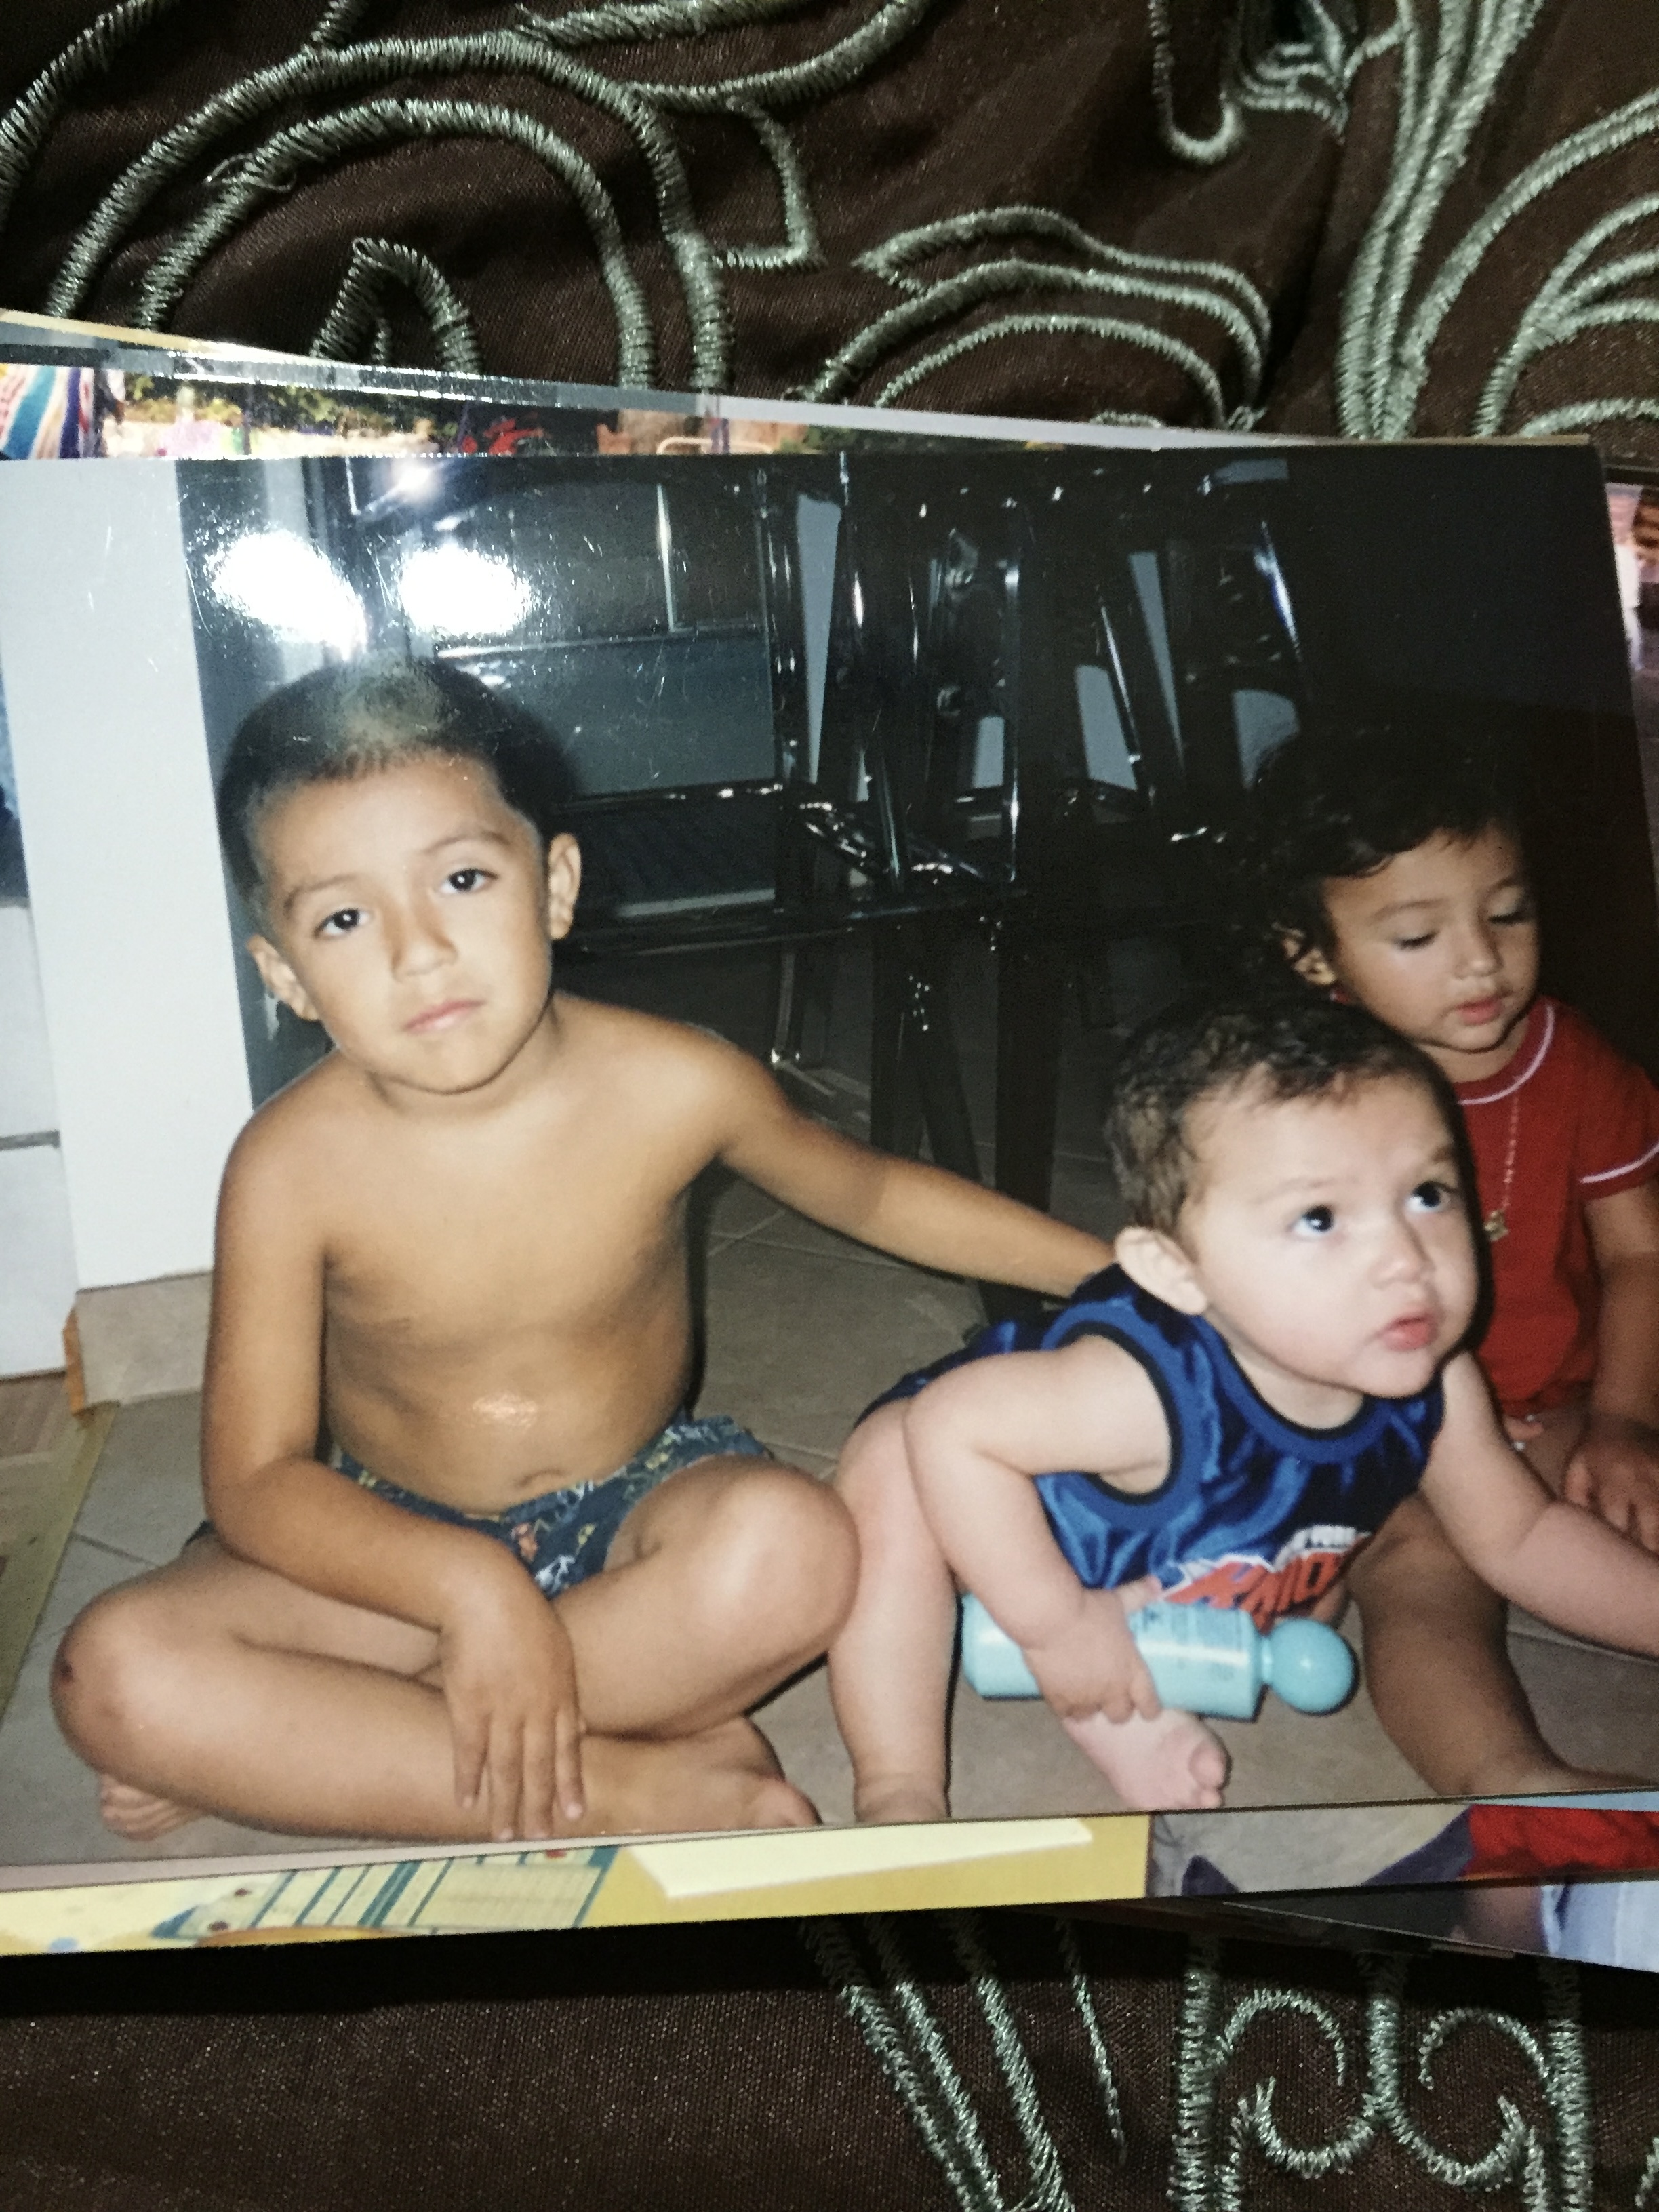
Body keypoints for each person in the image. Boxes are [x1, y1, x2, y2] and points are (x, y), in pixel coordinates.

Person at [51, 658, 1112, 1848]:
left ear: (553, 884)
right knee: (115, 1675)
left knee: (799, 1550)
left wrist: (1106, 1267)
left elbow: (867, 1188)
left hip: (636, 1503)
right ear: (286, 975)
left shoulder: (675, 1081)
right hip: (394, 1548)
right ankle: (645, 1777)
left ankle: (328, 1743)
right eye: (344, 917)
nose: (419, 950)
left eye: (460, 878)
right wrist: (468, 1588)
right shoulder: (288, 1167)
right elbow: (252, 1482)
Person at [828, 992, 1659, 1822]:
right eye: (1320, 1217)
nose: (1405, 1259)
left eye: (1428, 1194)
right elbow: (953, 1427)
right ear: (1177, 1273)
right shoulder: (1139, 1393)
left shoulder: (1438, 1378)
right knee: (892, 1453)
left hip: (1193, 1557)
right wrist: (1054, 1624)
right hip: (992, 1514)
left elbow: (1520, 1535)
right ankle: (898, 1787)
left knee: (1317, 1604)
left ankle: (1134, 1693)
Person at [1228, 724, 1659, 1796]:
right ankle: (1518, 1790)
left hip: (1551, 1398)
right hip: (1374, 1421)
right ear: (1312, 953)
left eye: (1506, 912)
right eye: (1416, 936)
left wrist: (1618, 1417)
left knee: (1627, 1500)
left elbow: (1637, 1255)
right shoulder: (1301, 1093)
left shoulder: (1580, 1066)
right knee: (1420, 1579)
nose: (1479, 960)